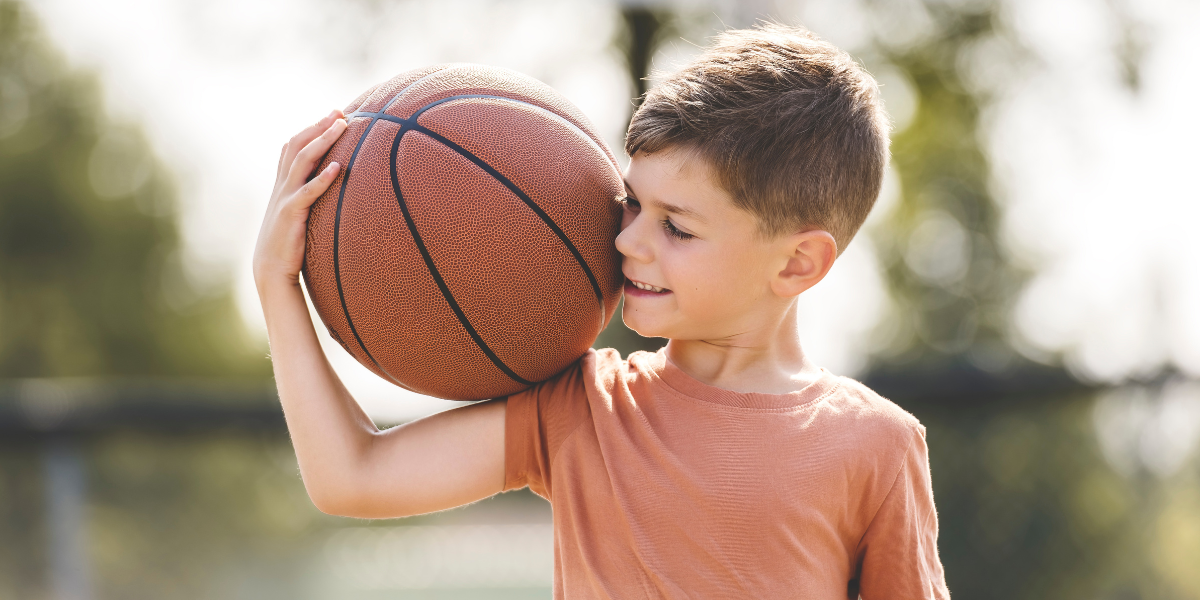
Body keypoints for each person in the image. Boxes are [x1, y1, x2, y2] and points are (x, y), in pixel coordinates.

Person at [254, 22, 950, 600]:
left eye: (676, 227)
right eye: (632, 203)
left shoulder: (876, 447)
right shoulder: (581, 409)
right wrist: (277, 286)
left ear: (798, 262)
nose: (628, 240)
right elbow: (353, 475)